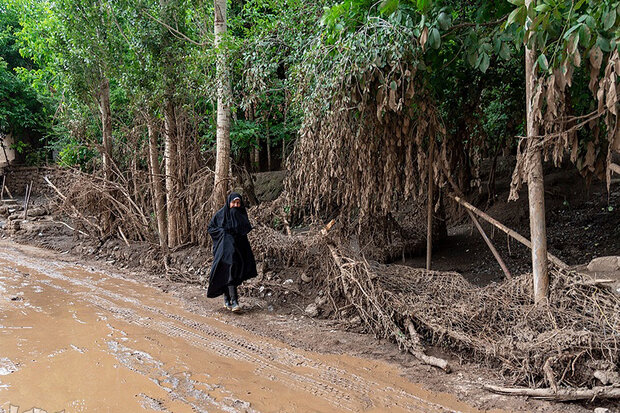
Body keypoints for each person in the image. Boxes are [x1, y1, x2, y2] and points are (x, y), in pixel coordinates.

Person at [206, 192, 258, 311]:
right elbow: (211, 228)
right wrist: (223, 234)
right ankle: (234, 301)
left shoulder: (241, 215)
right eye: (233, 202)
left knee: (232, 272)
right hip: (223, 250)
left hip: (238, 250)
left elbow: (244, 230)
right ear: (228, 203)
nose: (235, 205)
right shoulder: (220, 214)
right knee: (229, 270)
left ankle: (227, 300)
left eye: (238, 203)